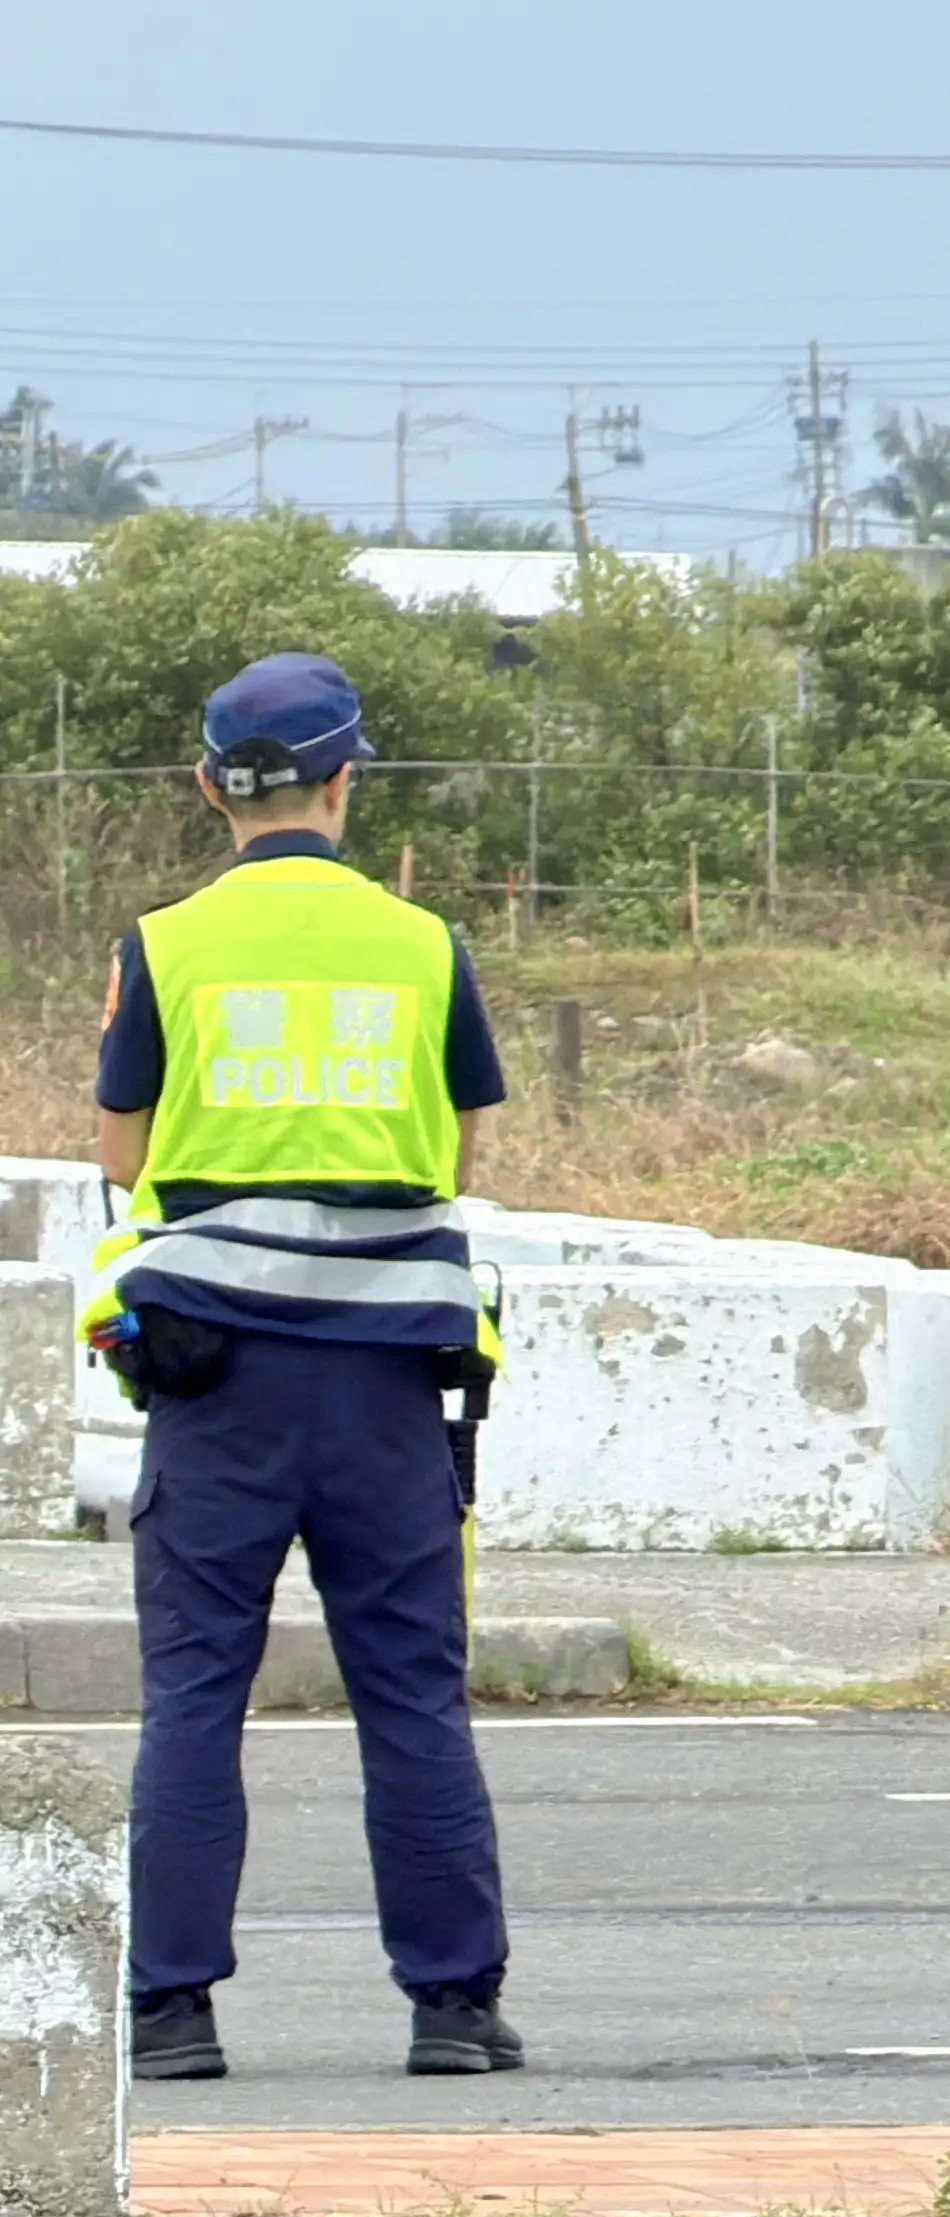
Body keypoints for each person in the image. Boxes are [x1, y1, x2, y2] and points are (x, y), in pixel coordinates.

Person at [80, 652, 518, 2080]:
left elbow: (125, 1157)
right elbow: (451, 1155)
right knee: (411, 1691)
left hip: (214, 1382)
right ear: (349, 781)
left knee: (196, 1690)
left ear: (211, 786)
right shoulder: (426, 944)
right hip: (389, 1378)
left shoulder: (161, 944)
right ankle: (453, 2008)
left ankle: (170, 2013)